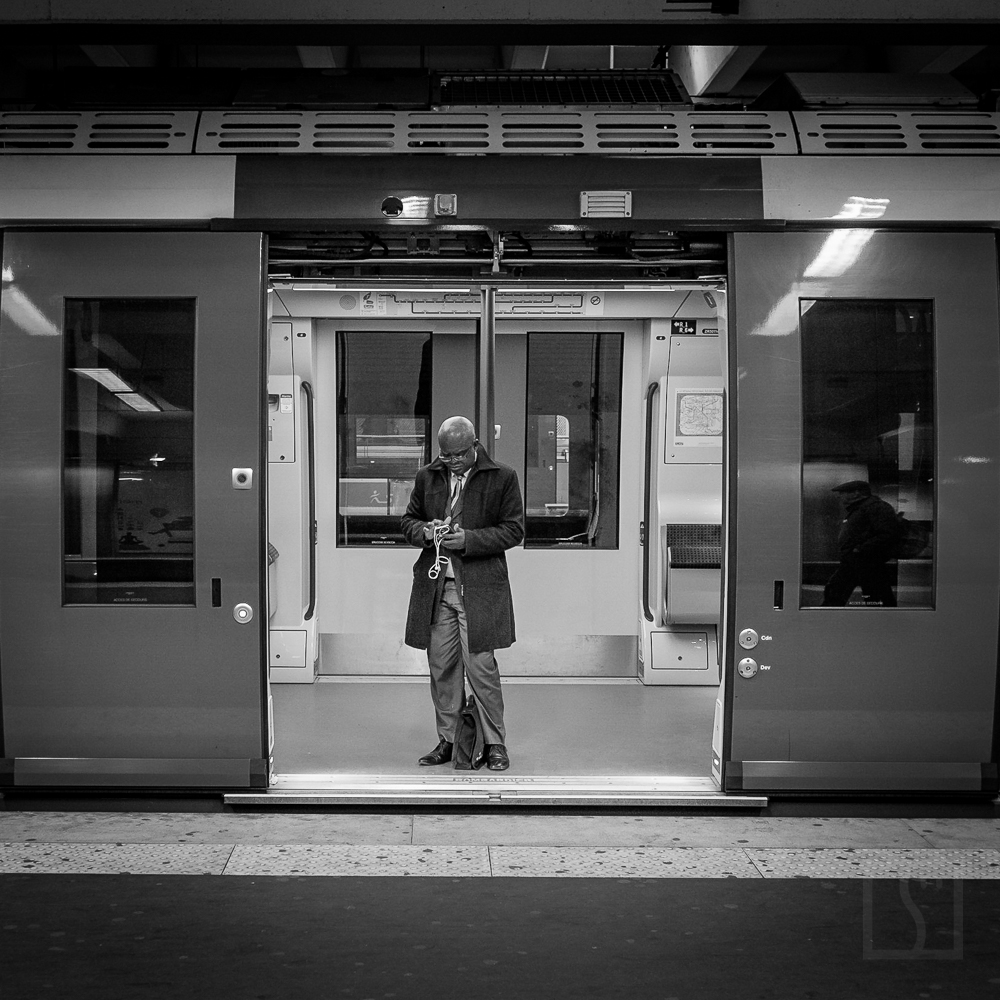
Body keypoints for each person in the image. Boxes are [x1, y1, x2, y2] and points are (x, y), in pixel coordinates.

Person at [401, 416, 524, 770]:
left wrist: (469, 540)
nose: (450, 461)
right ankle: (451, 741)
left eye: (457, 455)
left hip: (480, 589)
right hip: (437, 589)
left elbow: (514, 531)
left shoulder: (502, 476)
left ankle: (495, 743)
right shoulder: (428, 476)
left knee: (481, 668)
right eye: (445, 455)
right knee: (442, 667)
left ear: (474, 446)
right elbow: (408, 522)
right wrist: (426, 531)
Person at [821, 480, 900, 607]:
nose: (839, 496)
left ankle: (885, 624)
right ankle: (825, 621)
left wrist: (860, 549)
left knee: (877, 598)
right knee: (835, 593)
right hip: (854, 562)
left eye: (843, 492)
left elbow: (888, 534)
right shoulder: (860, 508)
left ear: (856, 493)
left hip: (869, 562)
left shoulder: (877, 507)